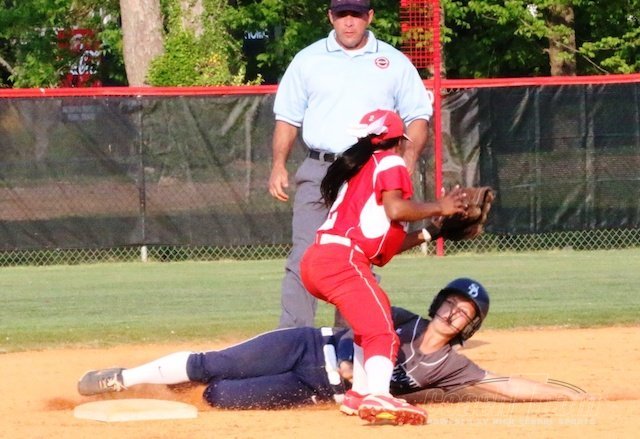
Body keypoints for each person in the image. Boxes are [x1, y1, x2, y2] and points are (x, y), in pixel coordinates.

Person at [77, 278, 591, 417]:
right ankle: (125, 377)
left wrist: (568, 394)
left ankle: (178, 388)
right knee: (215, 363)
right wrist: (350, 356)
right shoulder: (402, 320)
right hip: (305, 348)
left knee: (220, 397)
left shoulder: (450, 367)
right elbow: (352, 314)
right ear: (439, 303)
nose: (455, 312)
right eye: (452, 303)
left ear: (468, 328)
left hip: (312, 389)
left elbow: (505, 384)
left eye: (465, 313)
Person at [269, 0, 433, 329]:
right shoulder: (308, 59)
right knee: (305, 256)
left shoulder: (393, 62)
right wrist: (278, 164)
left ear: (369, 17)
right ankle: (293, 340)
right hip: (319, 169)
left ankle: (351, 342)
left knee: (360, 257)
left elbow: (418, 115)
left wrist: (408, 158)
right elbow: (287, 118)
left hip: (367, 173)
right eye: (341, 14)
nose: (348, 22)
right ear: (330, 16)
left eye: (355, 15)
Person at [298, 109, 467, 425]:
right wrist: (441, 206)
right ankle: (379, 394)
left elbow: (380, 249)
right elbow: (397, 209)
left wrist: (433, 231)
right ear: (400, 141)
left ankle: (360, 393)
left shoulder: (361, 170)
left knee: (369, 324)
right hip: (342, 261)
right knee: (381, 330)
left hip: (321, 260)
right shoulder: (389, 161)